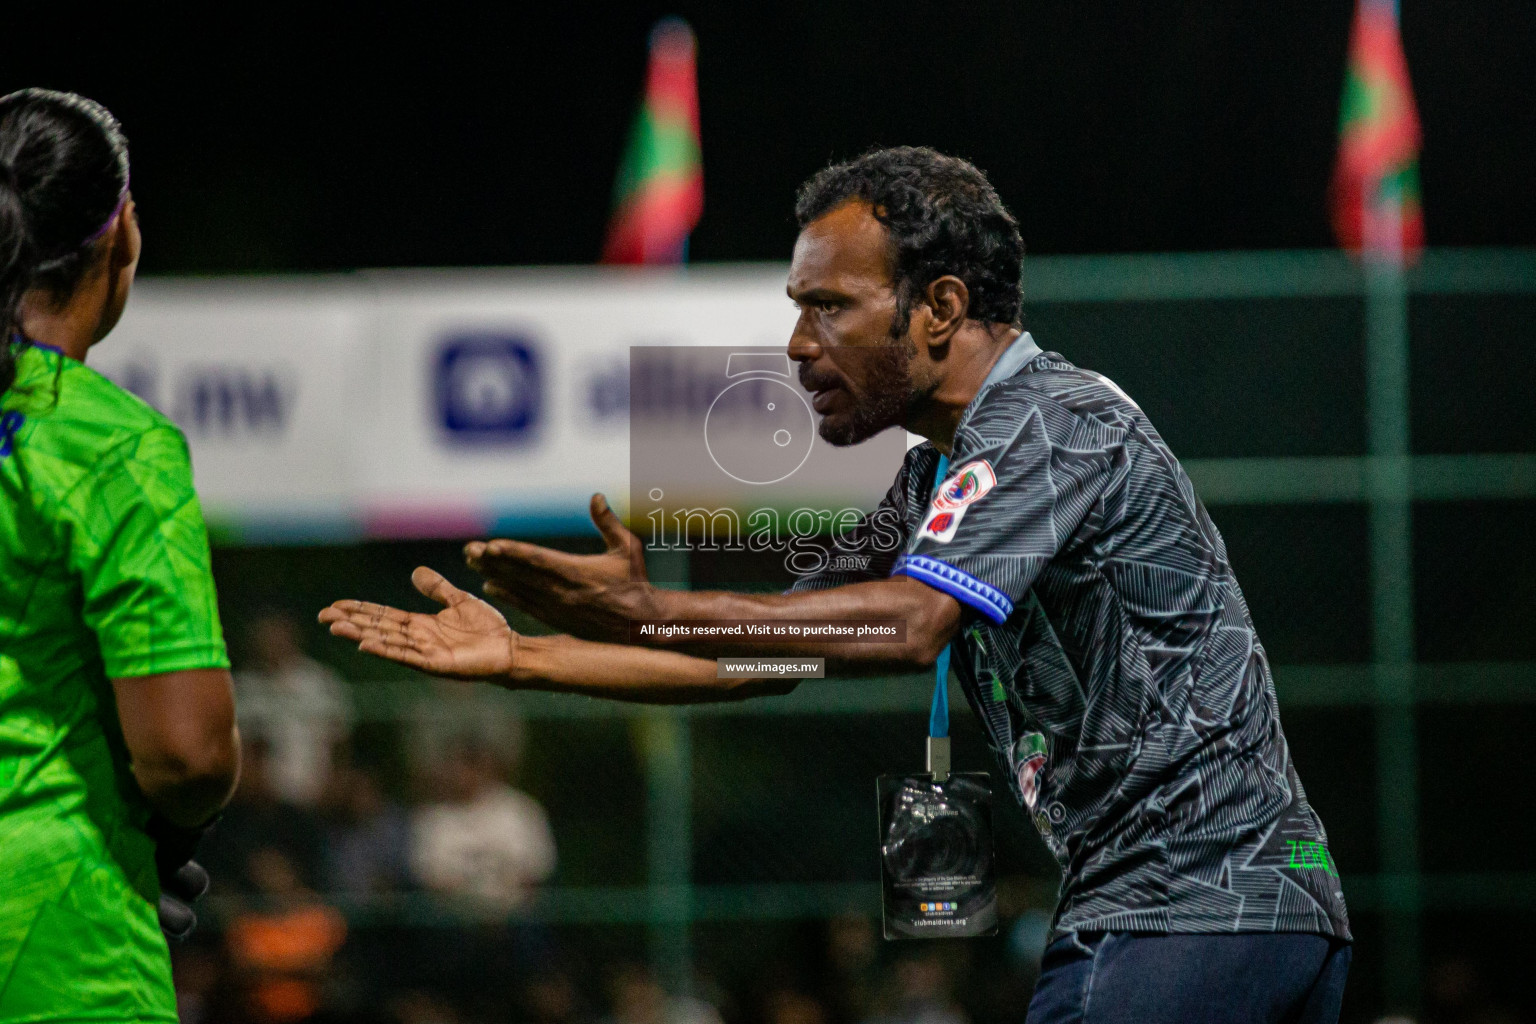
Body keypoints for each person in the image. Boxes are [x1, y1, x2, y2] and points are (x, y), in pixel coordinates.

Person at [322, 147, 1352, 1022]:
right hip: (1210, 912)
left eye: (829, 305)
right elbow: (760, 657)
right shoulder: (931, 480)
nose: (798, 343)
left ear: (940, 307)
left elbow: (909, 623)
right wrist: (522, 657)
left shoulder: (1053, 420)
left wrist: (649, 608)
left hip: (1195, 909)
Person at [0, 90, 239, 1022]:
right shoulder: (111, 444)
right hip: (57, 936)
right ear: (122, 234)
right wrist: (167, 829)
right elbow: (186, 750)